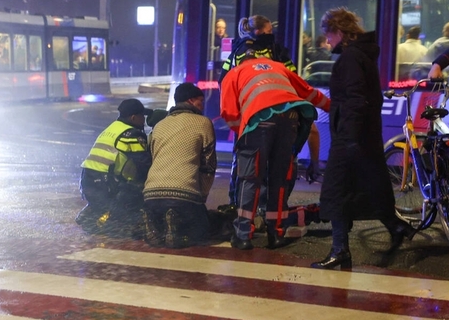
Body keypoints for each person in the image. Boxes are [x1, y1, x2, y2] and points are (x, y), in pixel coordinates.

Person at [314, 8, 416, 270]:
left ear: (338, 31)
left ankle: (340, 251)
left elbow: (355, 100)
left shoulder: (349, 59)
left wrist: (348, 138)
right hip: (364, 136)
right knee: (369, 185)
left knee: (337, 191)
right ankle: (396, 227)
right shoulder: (362, 56)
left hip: (350, 137)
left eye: (328, 34)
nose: (327, 41)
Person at [220, 53, 330, 250]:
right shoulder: (278, 66)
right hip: (291, 116)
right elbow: (309, 92)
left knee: (250, 178)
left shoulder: (234, 72)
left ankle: (243, 235)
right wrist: (335, 108)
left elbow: (228, 112)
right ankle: (276, 234)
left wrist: (244, 132)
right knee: (279, 179)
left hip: (260, 119)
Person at [221, 15, 323, 184]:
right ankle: (274, 194)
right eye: (269, 31)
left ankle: (237, 198)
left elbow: (224, 79)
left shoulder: (237, 51)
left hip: (250, 110)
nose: (272, 33)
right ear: (258, 31)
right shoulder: (274, 51)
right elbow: (292, 76)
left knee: (244, 158)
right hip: (275, 108)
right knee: (281, 158)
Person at [143, 83, 218, 248]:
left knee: (161, 214)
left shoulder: (159, 126)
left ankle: (157, 223)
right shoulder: (203, 123)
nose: (202, 105)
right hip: (184, 195)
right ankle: (176, 226)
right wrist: (202, 196)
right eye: (200, 101)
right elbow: (209, 165)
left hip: (150, 195)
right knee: (202, 229)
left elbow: (152, 158)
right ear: (191, 101)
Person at [76, 98, 152, 236]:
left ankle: (94, 211)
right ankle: (111, 221)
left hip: (87, 180)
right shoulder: (133, 134)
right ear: (134, 117)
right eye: (142, 117)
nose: (144, 121)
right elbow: (144, 166)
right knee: (135, 194)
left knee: (109, 203)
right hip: (105, 184)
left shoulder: (112, 128)